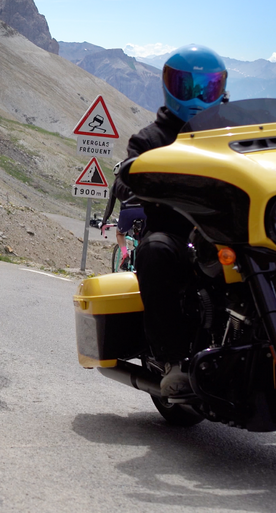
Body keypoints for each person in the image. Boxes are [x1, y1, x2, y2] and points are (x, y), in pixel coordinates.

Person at [102, 43, 229, 398]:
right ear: (170, 87)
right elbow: (127, 177)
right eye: (187, 86)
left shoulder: (234, 132)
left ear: (221, 89)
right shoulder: (150, 140)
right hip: (178, 234)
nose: (197, 95)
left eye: (208, 87)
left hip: (233, 232)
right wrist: (132, 181)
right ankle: (172, 360)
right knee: (154, 251)